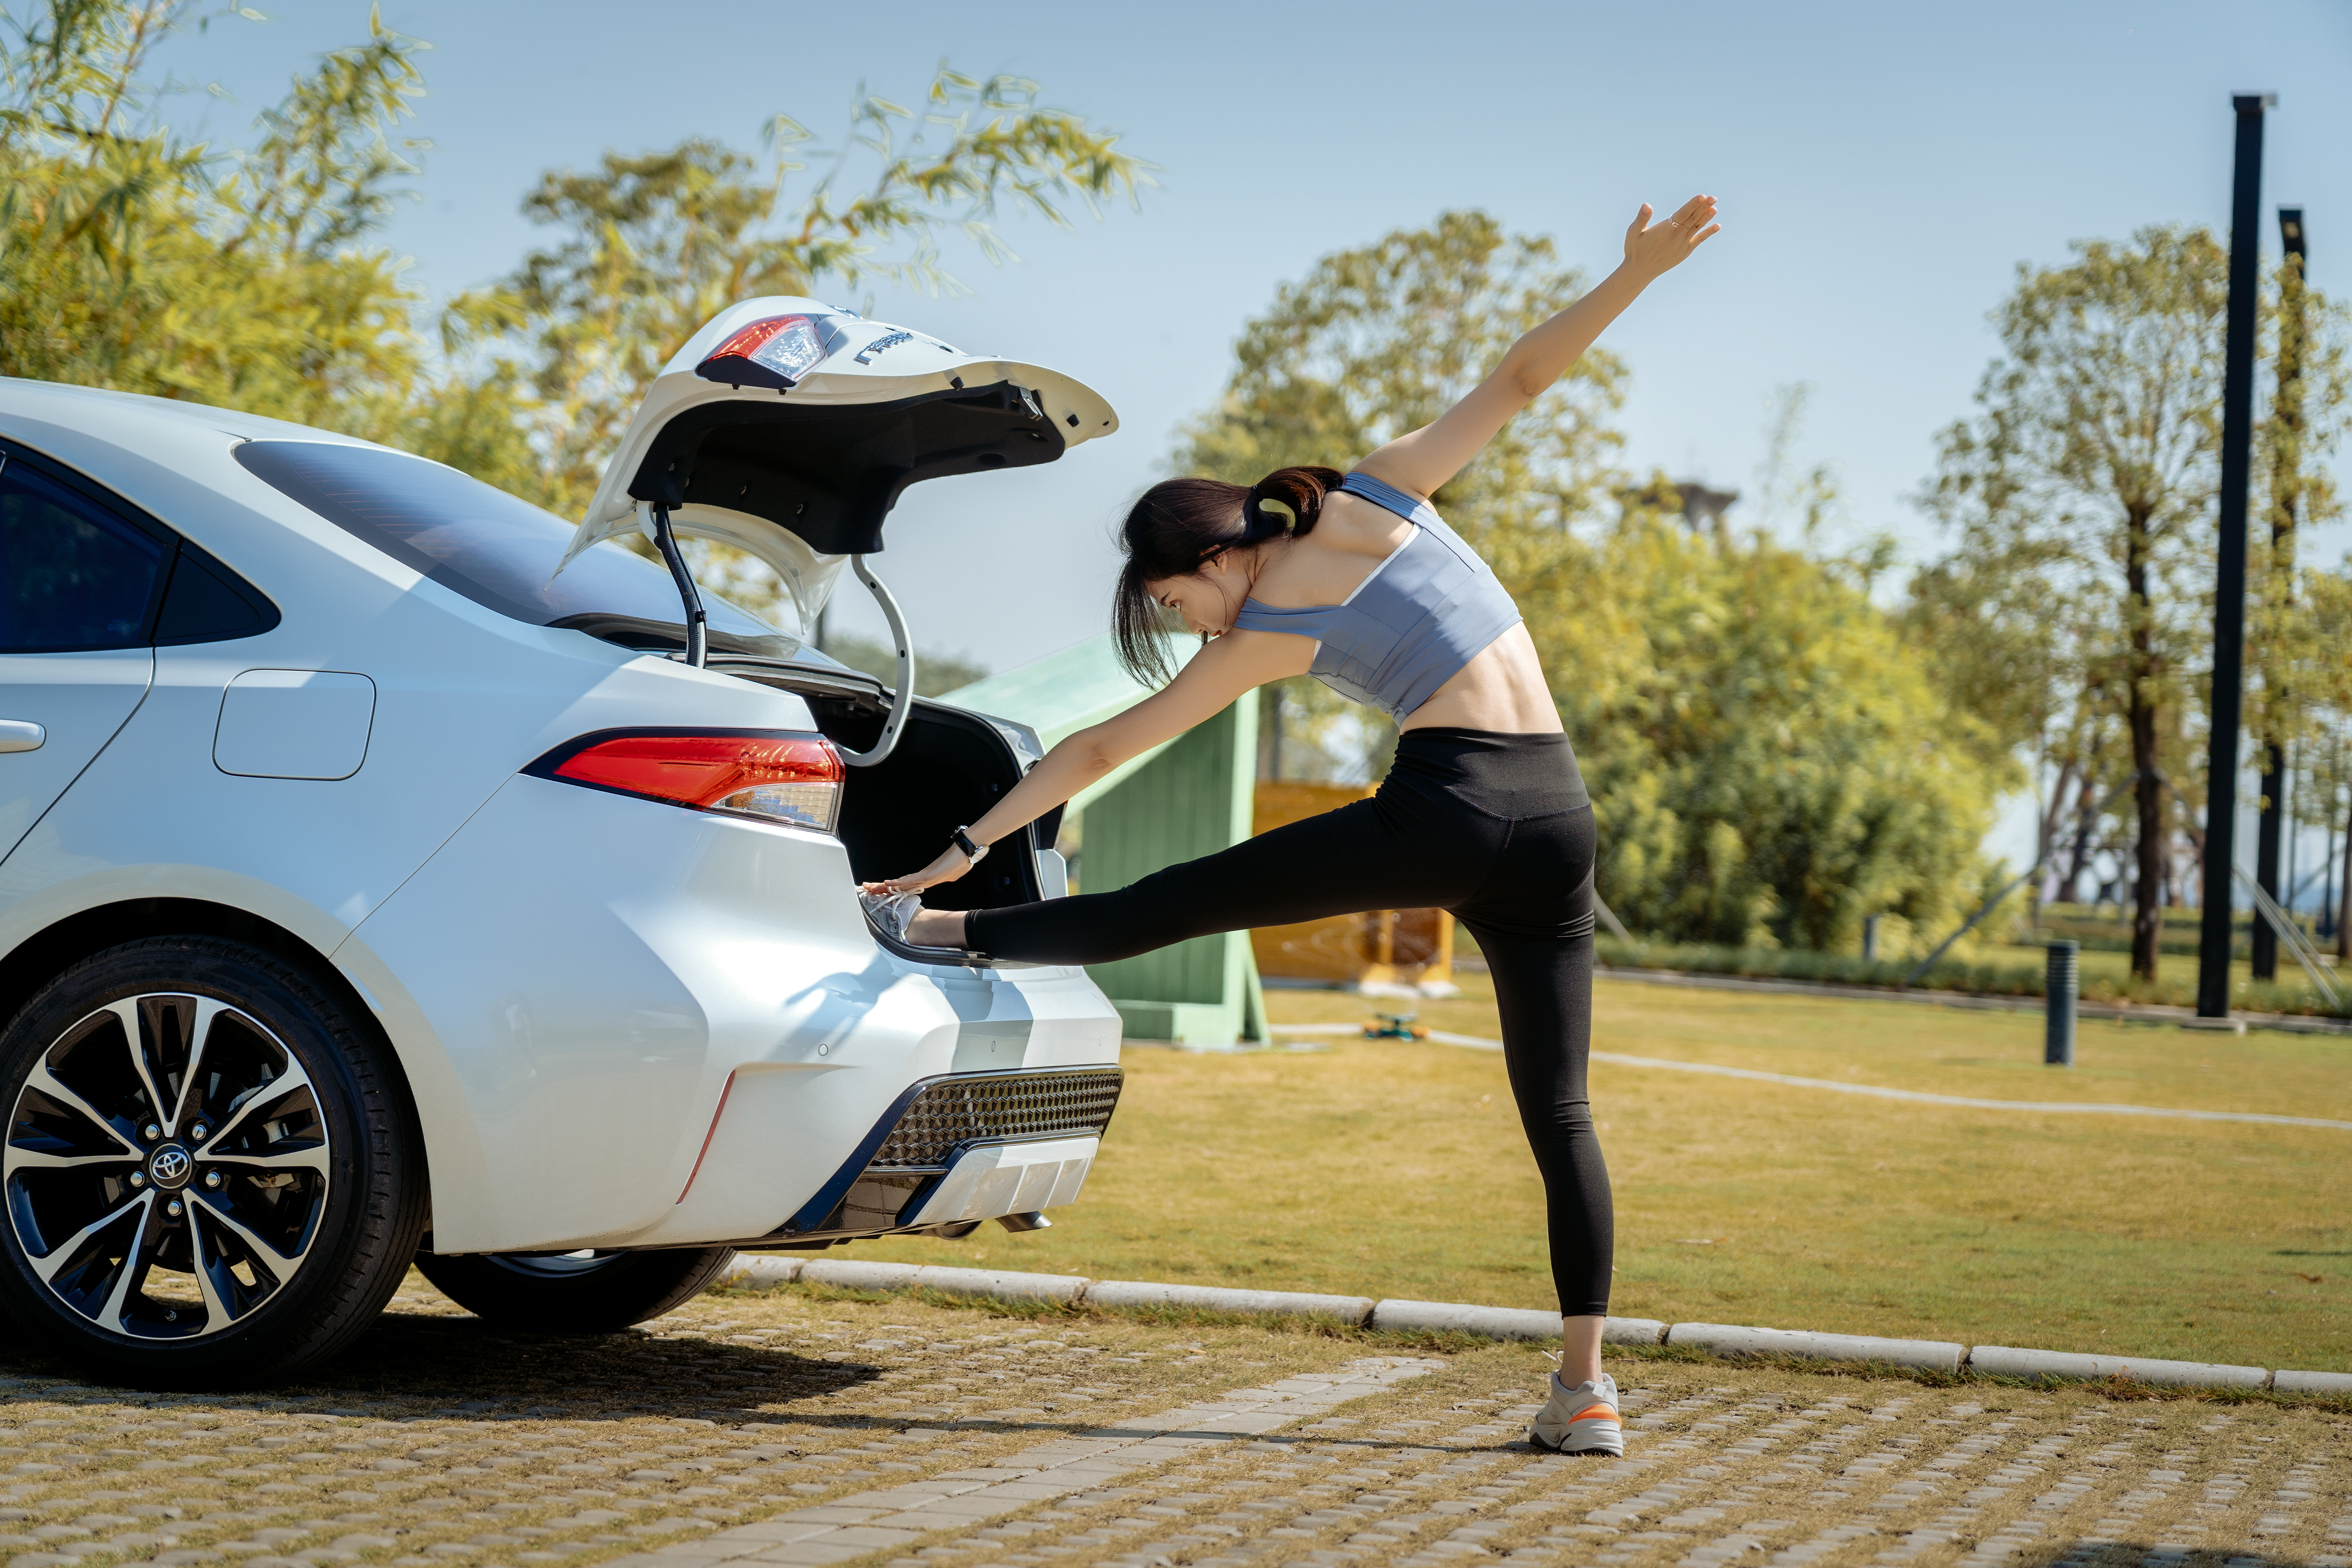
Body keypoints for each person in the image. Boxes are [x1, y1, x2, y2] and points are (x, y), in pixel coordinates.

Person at [860, 194, 1720, 1457]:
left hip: (1447, 808)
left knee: (1170, 904)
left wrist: (957, 847)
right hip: (1559, 819)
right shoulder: (1384, 495)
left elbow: (1103, 749)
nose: (1194, 630)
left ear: (1215, 554)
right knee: (1564, 1117)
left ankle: (928, 924)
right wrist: (1635, 272)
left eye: (1178, 602)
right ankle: (1585, 1392)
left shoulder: (1268, 625)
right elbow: (1526, 377)